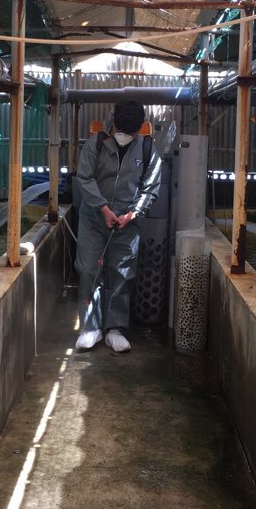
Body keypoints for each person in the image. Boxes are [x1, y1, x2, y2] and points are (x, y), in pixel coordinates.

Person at [74, 100, 161, 353]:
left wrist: (133, 213)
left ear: (139, 129)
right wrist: (103, 209)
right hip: (94, 218)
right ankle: (91, 327)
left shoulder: (147, 149)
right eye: (120, 131)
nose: (123, 136)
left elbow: (150, 188)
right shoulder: (96, 144)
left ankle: (115, 329)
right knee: (89, 270)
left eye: (129, 133)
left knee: (122, 272)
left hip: (127, 222)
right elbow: (85, 178)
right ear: (112, 125)